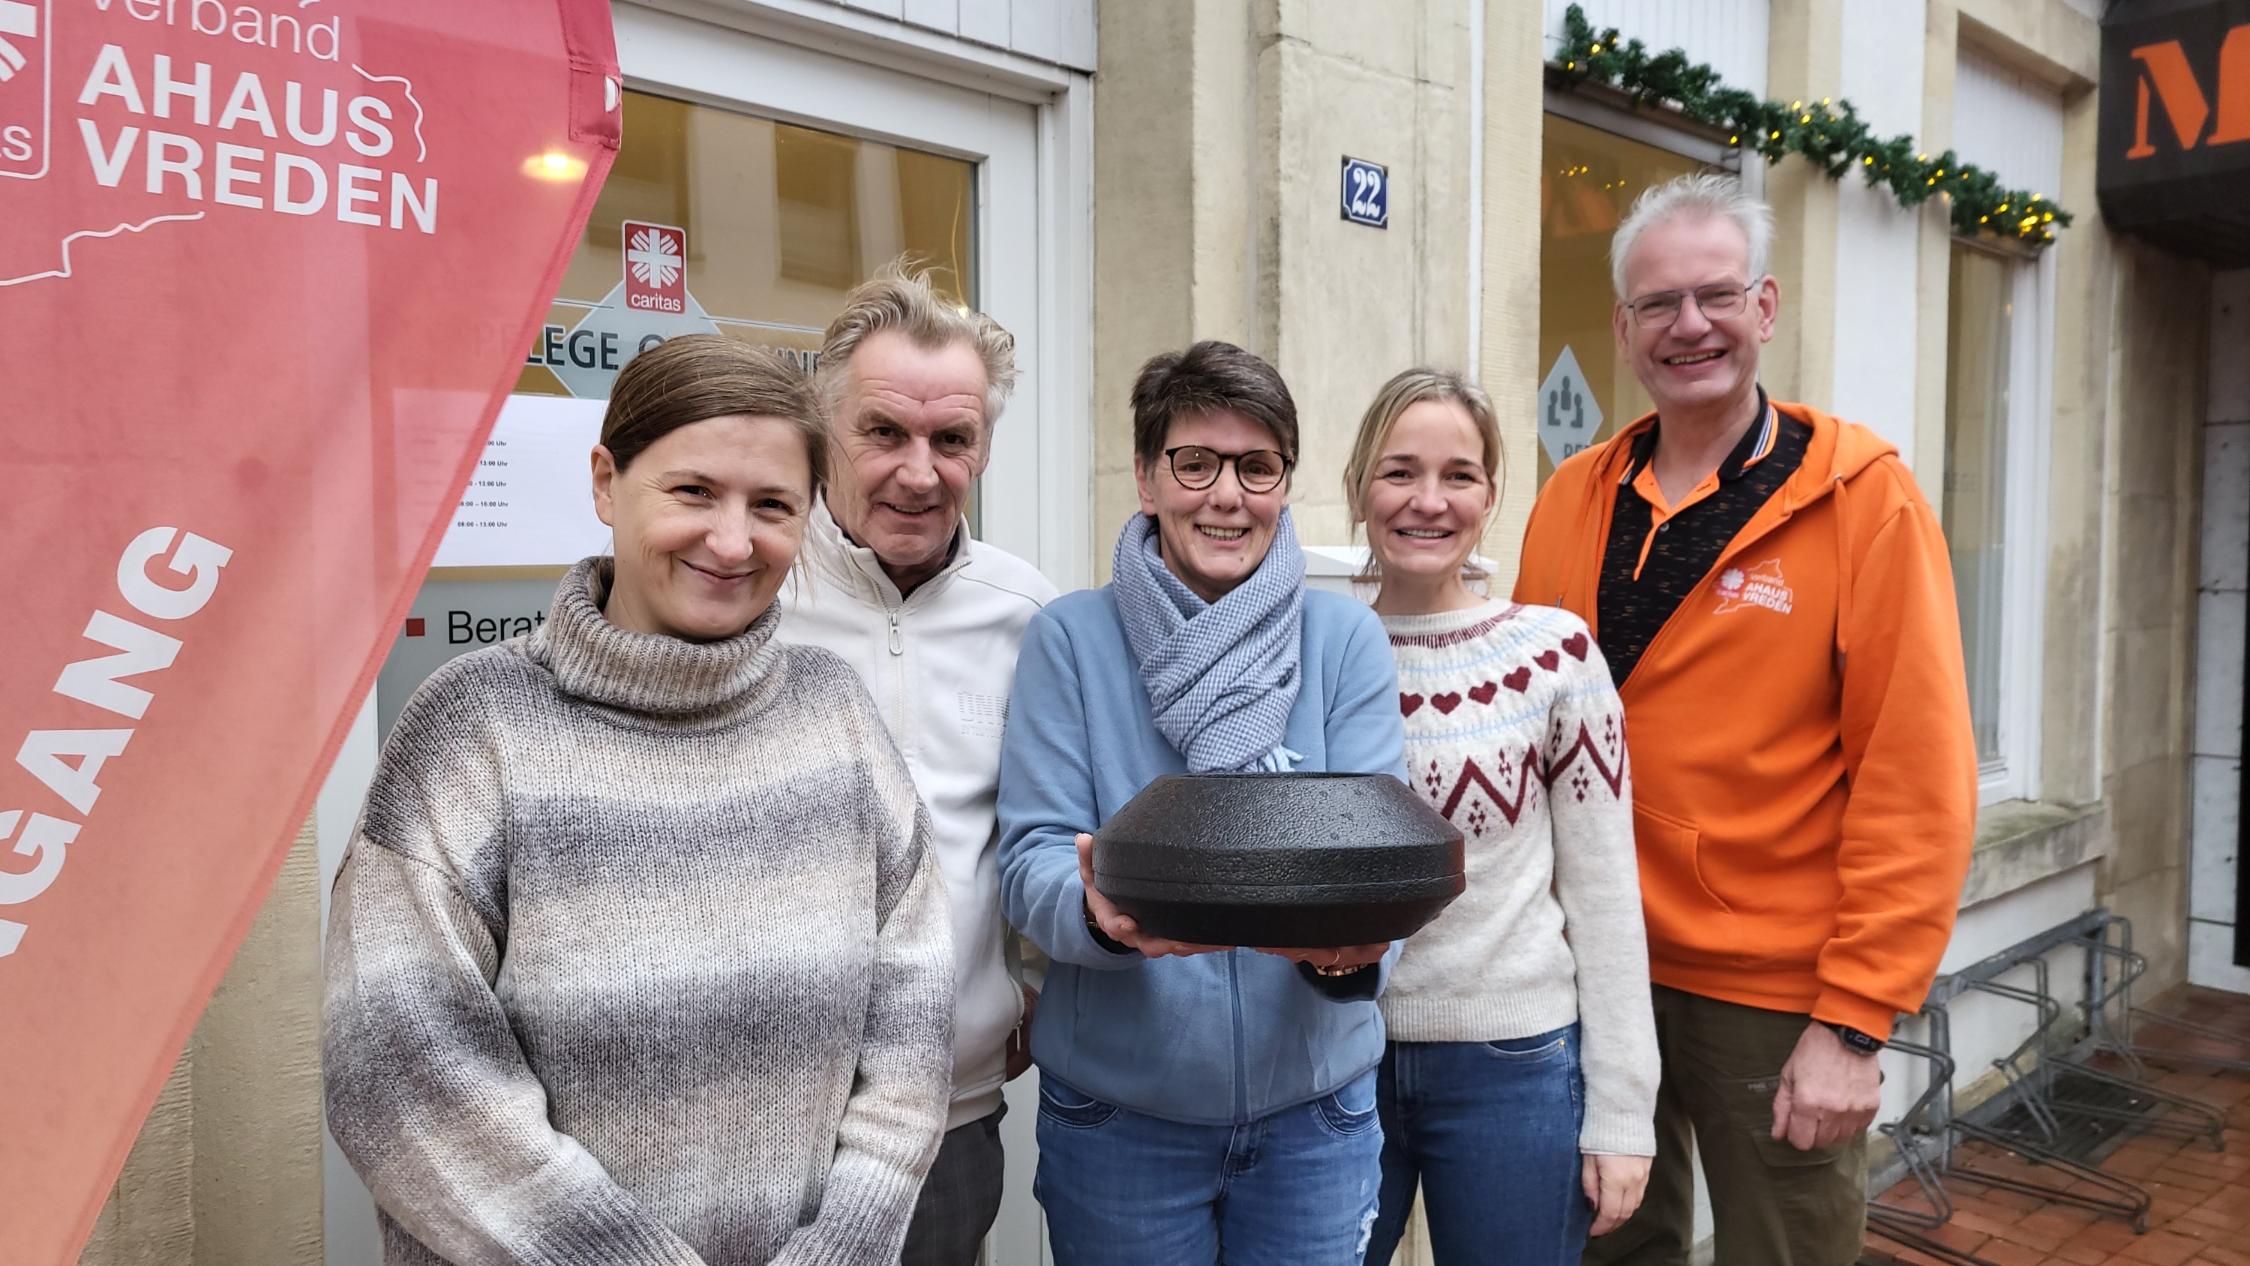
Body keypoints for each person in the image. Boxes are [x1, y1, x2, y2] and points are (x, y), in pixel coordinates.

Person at [324, 335, 954, 1266]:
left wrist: (844, 1250)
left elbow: (913, 1022)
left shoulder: (837, 716)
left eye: (772, 505)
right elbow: (399, 1070)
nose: (733, 541)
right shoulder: (474, 728)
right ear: (606, 483)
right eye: (693, 491)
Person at [1513, 173, 1976, 1266]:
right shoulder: (1573, 496)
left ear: (1764, 309)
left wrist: (1856, 1023)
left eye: (1714, 296)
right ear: (1623, 332)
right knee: (1613, 1248)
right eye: (1658, 305)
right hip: (1590, 970)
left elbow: (1917, 778)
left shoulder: (1862, 500)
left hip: (1769, 995)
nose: (1690, 326)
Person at [997, 340, 1406, 1266]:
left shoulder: (1342, 640)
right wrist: (1099, 918)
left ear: (1284, 486)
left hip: (1316, 1114)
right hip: (1120, 1118)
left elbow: (1385, 852)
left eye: (1257, 467)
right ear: (1147, 479)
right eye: (1195, 462)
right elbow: (1030, 863)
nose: (1227, 494)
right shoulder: (1072, 640)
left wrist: (1347, 954)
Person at [775, 261, 1058, 1266]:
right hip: (758, 1116)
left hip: (951, 1112)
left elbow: (1044, 827)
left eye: (953, 439)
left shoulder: (1027, 614)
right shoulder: (751, 591)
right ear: (825, 427)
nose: (920, 470)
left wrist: (1030, 980)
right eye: (883, 432)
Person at [1343, 368, 1658, 1263]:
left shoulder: (1552, 654)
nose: (1428, 501)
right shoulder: (1323, 654)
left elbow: (1603, 894)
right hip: (1337, 1063)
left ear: (1491, 495)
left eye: (1460, 475)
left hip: (1514, 1067)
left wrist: (1623, 1112)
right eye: (1400, 471)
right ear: (1361, 484)